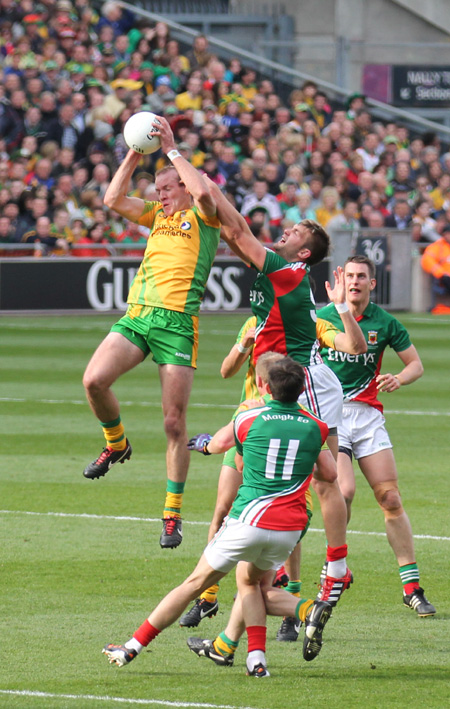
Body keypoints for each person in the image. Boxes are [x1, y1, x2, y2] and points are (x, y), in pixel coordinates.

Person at [103, 357, 348, 676]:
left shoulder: (250, 417)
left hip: (250, 520)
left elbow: (218, 445)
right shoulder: (316, 425)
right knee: (251, 584)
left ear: (264, 386)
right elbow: (329, 473)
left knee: (193, 584)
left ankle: (132, 647)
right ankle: (257, 659)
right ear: (301, 390)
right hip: (289, 528)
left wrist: (204, 445)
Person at [180, 267, 366, 635]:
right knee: (221, 509)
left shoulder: (309, 326)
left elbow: (348, 344)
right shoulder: (253, 322)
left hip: (285, 426)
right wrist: (242, 345)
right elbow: (225, 371)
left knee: (291, 511)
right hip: (247, 424)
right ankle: (209, 595)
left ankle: (290, 600)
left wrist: (341, 309)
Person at [81, 115, 221, 549]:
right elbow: (111, 198)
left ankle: (172, 514)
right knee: (93, 380)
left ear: (180, 185)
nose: (159, 197)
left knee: (173, 423)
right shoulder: (155, 216)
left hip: (178, 324)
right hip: (139, 316)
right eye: (157, 191)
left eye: (165, 189)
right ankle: (116, 443)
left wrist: (174, 150)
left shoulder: (204, 216)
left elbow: (201, 191)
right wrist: (133, 153)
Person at [317, 255, 436, 617]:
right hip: (332, 416)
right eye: (349, 275)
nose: (354, 281)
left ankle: (411, 586)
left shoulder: (385, 322)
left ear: (372, 284)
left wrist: (399, 378)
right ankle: (334, 568)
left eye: (361, 277)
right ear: (343, 280)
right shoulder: (324, 317)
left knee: (391, 498)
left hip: (367, 416)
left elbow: (415, 363)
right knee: (345, 489)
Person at [421, 224, 450, 315]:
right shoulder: (437, 246)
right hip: (444, 277)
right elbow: (427, 260)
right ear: (444, 235)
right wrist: (441, 273)